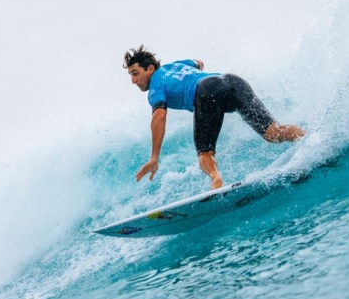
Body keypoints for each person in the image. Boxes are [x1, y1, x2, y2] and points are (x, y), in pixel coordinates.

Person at [124, 45, 305, 190]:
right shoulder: (177, 65)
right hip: (233, 81)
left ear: (150, 69)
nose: (133, 80)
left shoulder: (156, 84)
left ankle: (216, 181)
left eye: (135, 73)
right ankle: (309, 136)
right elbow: (199, 63)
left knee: (205, 154)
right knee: (272, 132)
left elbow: (160, 115)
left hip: (206, 90)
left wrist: (154, 157)